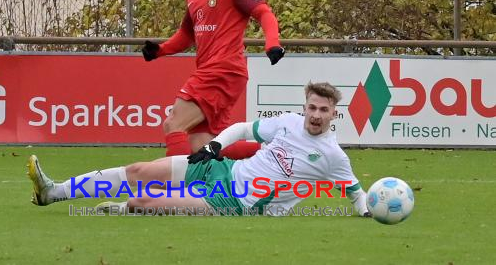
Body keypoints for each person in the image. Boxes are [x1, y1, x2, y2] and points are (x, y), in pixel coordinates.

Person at [28, 82, 371, 217]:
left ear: (333, 114)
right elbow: (241, 128)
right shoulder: (288, 122)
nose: (315, 115)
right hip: (221, 170)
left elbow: (355, 193)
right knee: (139, 171)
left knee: (142, 201)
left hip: (236, 202)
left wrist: (371, 209)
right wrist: (213, 147)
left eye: (323, 110)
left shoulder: (332, 157)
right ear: (305, 106)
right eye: (312, 107)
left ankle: (118, 210)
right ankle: (53, 191)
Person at [141, 0, 284, 160]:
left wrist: (272, 44)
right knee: (202, 144)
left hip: (223, 70)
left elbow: (265, 13)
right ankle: (278, 154)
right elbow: (187, 34)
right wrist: (160, 50)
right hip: (214, 71)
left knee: (174, 124)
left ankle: (172, 191)